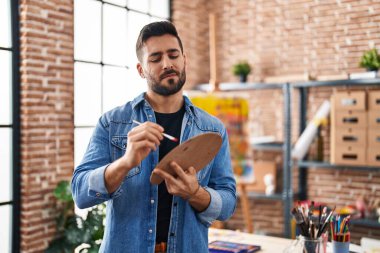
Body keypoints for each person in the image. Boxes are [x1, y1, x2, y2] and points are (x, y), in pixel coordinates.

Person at [71, 21, 236, 253]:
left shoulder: (212, 129)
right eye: (155, 58)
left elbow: (228, 204)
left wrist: (195, 193)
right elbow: (80, 194)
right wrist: (125, 162)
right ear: (141, 70)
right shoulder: (113, 123)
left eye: (173, 55)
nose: (167, 64)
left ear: (184, 60)